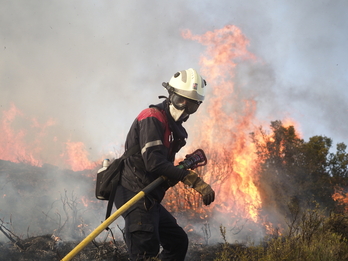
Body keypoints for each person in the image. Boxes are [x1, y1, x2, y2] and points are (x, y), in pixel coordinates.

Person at [114, 68, 215, 261]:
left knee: (177, 242)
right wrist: (190, 178)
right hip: (134, 194)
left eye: (191, 106)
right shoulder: (152, 117)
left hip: (149, 196)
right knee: (145, 252)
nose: (184, 108)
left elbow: (160, 171)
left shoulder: (173, 130)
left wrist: (172, 176)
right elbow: (153, 162)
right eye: (180, 101)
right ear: (170, 95)